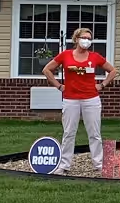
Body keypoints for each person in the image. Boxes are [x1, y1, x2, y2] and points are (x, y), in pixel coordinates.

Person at [42, 27, 116, 174]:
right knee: (69, 132)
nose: (86, 41)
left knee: (94, 133)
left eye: (89, 38)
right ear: (76, 39)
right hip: (70, 100)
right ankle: (64, 165)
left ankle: (99, 164)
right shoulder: (65, 55)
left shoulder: (95, 57)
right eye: (84, 37)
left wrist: (102, 84)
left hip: (91, 99)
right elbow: (47, 70)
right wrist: (58, 86)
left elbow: (113, 70)